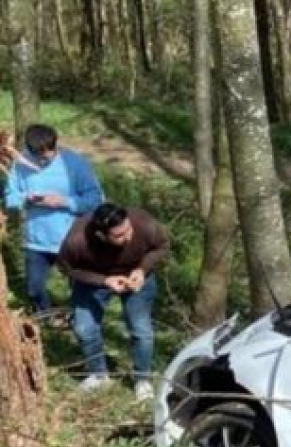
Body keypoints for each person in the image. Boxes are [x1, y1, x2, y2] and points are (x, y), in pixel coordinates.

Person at [58, 203, 170, 399]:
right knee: (84, 327)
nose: (127, 237)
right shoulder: (77, 240)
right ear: (102, 236)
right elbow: (67, 268)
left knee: (141, 329)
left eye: (128, 230)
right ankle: (99, 374)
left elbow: (162, 246)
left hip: (137, 276)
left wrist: (142, 269)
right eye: (119, 236)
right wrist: (103, 281)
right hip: (94, 278)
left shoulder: (143, 222)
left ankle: (142, 378)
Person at [3, 124, 104, 318]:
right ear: (30, 149)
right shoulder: (20, 165)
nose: (48, 155)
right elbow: (11, 197)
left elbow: (95, 199)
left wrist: (64, 202)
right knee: (34, 288)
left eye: (52, 150)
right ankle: (48, 316)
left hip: (72, 238)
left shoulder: (76, 163)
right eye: (41, 153)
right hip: (36, 240)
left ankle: (79, 318)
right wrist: (26, 200)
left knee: (80, 287)